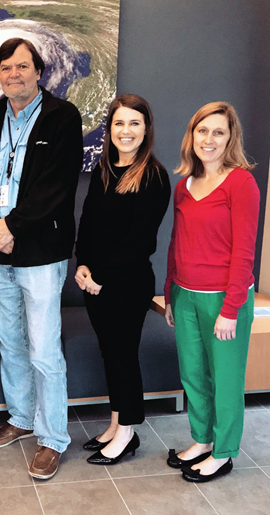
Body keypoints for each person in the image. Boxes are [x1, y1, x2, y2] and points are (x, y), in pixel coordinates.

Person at [0, 38, 83, 480]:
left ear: (39, 71)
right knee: (11, 344)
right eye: (5, 68)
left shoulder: (62, 118)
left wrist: (13, 226)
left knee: (43, 350)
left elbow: (55, 189)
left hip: (40, 252)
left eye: (22, 67)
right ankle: (21, 418)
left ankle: (52, 438)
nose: (13, 74)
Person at [164, 101, 259, 482]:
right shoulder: (184, 186)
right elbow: (176, 242)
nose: (209, 139)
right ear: (192, 136)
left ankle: (223, 451)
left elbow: (245, 251)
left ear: (230, 138)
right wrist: (170, 293)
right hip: (185, 296)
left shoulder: (241, 183)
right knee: (193, 375)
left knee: (226, 379)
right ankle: (201, 440)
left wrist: (232, 308)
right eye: (203, 130)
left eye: (218, 132)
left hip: (225, 298)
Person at [75, 94, 170, 465]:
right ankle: (116, 425)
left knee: (123, 357)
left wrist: (101, 276)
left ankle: (127, 433)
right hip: (95, 281)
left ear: (146, 129)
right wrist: (82, 264)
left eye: (134, 123)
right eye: (119, 123)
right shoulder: (104, 168)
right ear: (109, 129)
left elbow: (140, 240)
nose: (125, 131)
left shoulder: (153, 175)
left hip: (126, 284)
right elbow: (88, 221)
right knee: (110, 354)